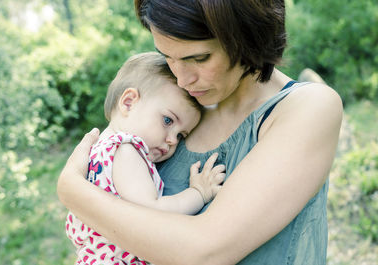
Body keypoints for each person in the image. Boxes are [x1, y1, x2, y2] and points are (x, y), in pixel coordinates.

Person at [57, 1, 343, 264]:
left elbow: (204, 252)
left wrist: (74, 193)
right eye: (167, 57)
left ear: (247, 34)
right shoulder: (178, 112)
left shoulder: (307, 107)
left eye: (200, 58)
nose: (182, 79)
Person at [64, 52, 225, 265]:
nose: (172, 141)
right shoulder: (125, 150)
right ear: (129, 102)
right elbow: (152, 213)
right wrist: (198, 193)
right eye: (168, 120)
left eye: (180, 135)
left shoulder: (98, 149)